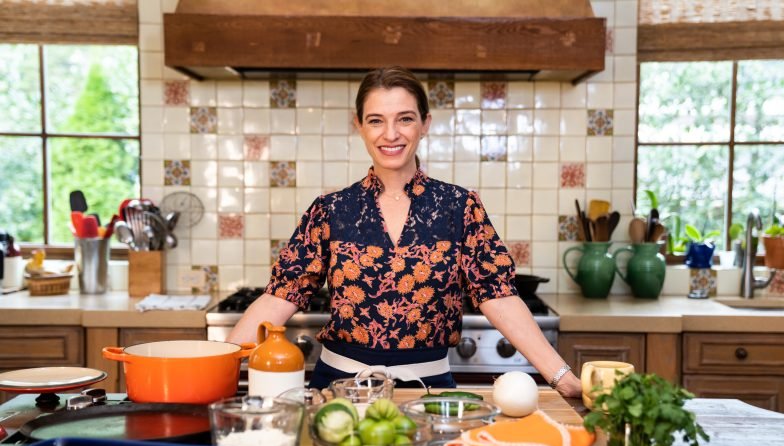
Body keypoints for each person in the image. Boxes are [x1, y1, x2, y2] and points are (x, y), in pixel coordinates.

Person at [227, 66, 581, 397]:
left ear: (425, 123)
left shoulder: (461, 206)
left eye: (405, 119)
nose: (391, 134)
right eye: (376, 120)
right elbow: (281, 295)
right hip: (338, 390)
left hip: (431, 392)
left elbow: (498, 295)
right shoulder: (329, 209)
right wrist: (216, 363)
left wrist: (563, 378)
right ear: (360, 126)